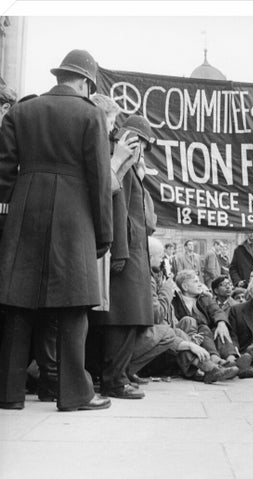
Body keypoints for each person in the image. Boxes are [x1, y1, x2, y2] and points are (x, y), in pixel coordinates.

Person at [0, 49, 112, 411]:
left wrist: (11, 214)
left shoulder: (21, 111)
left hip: (25, 211)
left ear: (60, 76)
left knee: (18, 304)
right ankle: (74, 394)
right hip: (73, 216)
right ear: (85, 82)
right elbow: (98, 178)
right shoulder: (91, 114)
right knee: (72, 308)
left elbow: (2, 175)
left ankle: (8, 393)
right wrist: (103, 232)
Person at [129, 238, 239, 384]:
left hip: (199, 336)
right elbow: (159, 316)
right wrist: (189, 343)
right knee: (178, 328)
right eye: (162, 257)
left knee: (194, 328)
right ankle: (207, 368)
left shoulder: (203, 297)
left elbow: (215, 310)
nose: (164, 261)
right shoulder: (161, 287)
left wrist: (220, 323)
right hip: (151, 343)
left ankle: (214, 365)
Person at [98, 115, 154, 400]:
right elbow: (117, 210)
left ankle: (118, 376)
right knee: (122, 318)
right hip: (126, 253)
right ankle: (114, 380)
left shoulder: (130, 169)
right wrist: (119, 251)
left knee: (128, 318)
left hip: (131, 252)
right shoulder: (121, 166)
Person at [172, 270, 238, 366]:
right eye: (195, 281)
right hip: (189, 335)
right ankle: (215, 359)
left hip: (208, 335)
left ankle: (231, 359)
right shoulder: (175, 302)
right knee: (204, 328)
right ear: (185, 286)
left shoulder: (205, 298)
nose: (200, 284)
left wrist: (221, 323)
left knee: (219, 330)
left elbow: (217, 311)